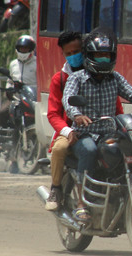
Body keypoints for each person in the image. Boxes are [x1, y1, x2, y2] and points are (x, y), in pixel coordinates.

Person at [63, 29, 132, 221]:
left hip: (109, 133)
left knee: (129, 150)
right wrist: (77, 115)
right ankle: (81, 203)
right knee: (89, 150)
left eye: (107, 55)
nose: (103, 59)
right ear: (88, 56)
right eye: (98, 55)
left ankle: (123, 192)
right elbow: (68, 100)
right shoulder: (76, 78)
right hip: (85, 134)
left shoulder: (115, 78)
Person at [43, 30, 123, 211]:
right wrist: (68, 131)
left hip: (102, 128)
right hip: (71, 128)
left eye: (77, 52)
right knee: (60, 148)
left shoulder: (104, 74)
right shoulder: (60, 79)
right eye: (68, 54)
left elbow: (116, 107)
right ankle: (56, 188)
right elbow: (53, 114)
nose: (74, 56)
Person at [0, 35, 37, 131]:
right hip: (16, 98)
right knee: (1, 112)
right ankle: (2, 137)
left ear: (31, 49)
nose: (23, 50)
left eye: (26, 48)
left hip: (32, 98)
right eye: (21, 48)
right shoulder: (13, 64)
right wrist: (9, 89)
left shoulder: (37, 63)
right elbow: (10, 80)